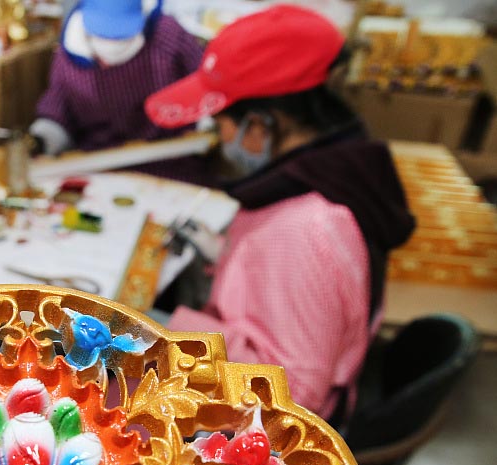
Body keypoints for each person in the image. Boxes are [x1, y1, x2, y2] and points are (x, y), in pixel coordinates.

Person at [144, 5, 416, 424]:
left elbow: (295, 395)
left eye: (222, 124)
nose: (219, 138)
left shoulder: (304, 229)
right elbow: (294, 292)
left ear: (260, 125)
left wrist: (169, 328)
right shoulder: (334, 175)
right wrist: (219, 251)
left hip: (266, 440)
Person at [30, 0, 211, 183]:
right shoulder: (69, 57)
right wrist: (41, 141)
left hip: (172, 161)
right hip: (98, 167)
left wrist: (207, 121)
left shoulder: (168, 37)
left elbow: (207, 81)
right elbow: (58, 111)